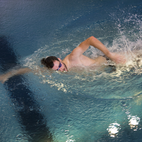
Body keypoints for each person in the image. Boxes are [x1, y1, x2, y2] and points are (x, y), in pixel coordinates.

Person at [0, 36, 126, 83]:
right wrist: (7, 75)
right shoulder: (54, 69)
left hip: (109, 61)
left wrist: (111, 54)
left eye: (60, 66)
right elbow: (30, 70)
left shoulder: (73, 57)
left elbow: (91, 39)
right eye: (57, 70)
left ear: (60, 59)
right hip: (109, 71)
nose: (61, 70)